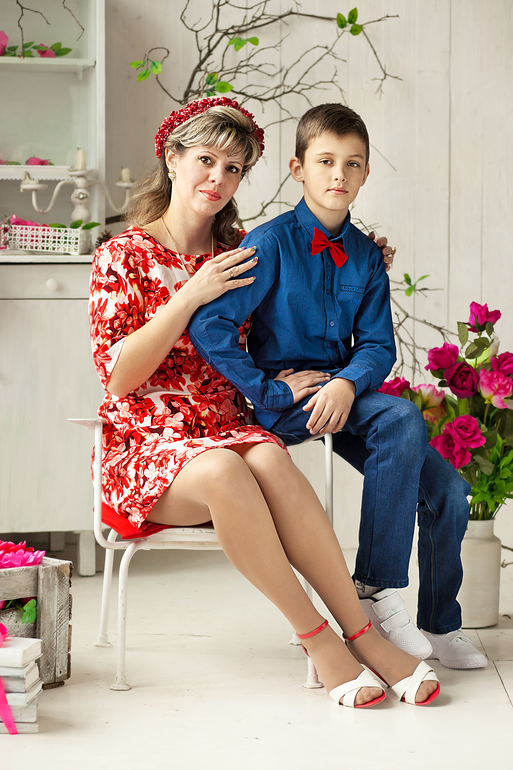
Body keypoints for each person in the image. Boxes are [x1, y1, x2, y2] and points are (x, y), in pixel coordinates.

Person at [89, 96, 440, 707]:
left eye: (233, 168)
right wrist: (189, 294)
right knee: (228, 469)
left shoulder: (243, 248)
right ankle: (320, 641)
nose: (218, 178)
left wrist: (363, 257)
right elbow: (117, 378)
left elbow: (308, 262)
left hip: (226, 427)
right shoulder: (123, 254)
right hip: (147, 445)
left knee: (271, 458)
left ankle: (366, 636)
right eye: (206, 160)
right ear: (172, 159)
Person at [189, 103, 487, 670]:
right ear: (298, 169)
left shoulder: (367, 256)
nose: (338, 175)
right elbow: (210, 325)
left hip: (343, 399)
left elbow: (377, 346)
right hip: (284, 406)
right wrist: (268, 390)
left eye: (352, 164)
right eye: (325, 161)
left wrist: (348, 385)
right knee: (401, 417)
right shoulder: (270, 244)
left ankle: (440, 624)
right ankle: (373, 589)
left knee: (448, 489)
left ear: (366, 173)